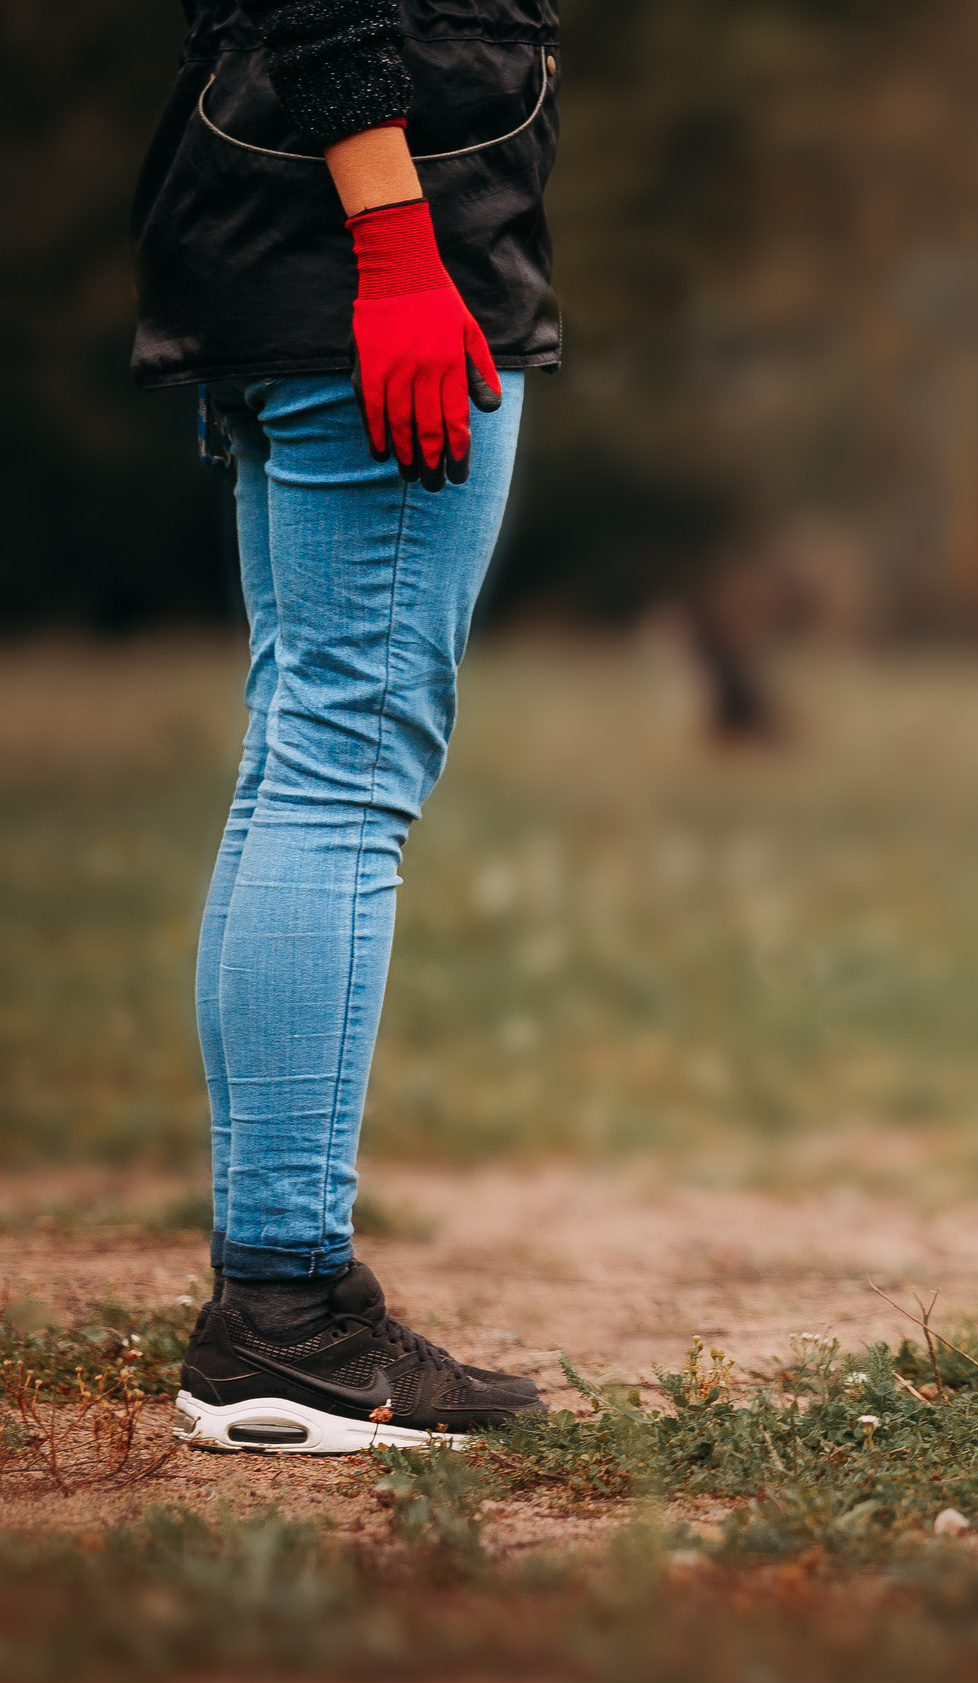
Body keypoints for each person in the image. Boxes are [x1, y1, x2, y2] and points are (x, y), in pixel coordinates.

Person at [133, 0, 560, 1451]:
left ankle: (277, 1297)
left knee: (298, 765)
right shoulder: (386, 244)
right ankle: (286, 1317)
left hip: (276, 239)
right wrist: (396, 253)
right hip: (369, 263)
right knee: (339, 774)